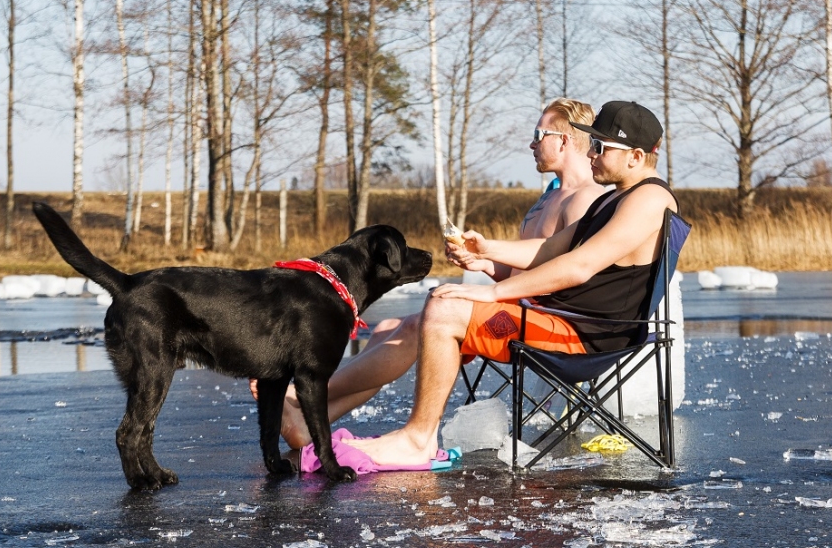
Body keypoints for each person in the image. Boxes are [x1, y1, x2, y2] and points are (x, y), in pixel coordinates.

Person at [255, 98, 603, 450]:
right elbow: (525, 267)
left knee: (413, 327)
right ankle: (310, 421)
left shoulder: (584, 200)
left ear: (563, 139)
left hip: (544, 327)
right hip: (518, 312)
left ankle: (304, 396)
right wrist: (482, 264)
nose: (531, 143)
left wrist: (490, 285)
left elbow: (566, 276)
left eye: (537, 134)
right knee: (391, 328)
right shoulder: (548, 199)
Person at [354, 101, 678, 468]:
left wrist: (491, 292)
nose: (591, 154)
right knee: (441, 301)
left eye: (600, 147)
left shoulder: (651, 198)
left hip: (584, 336)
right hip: (560, 319)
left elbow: (578, 266)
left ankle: (417, 440)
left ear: (636, 156)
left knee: (445, 310)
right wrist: (487, 249)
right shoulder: (613, 200)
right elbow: (549, 249)